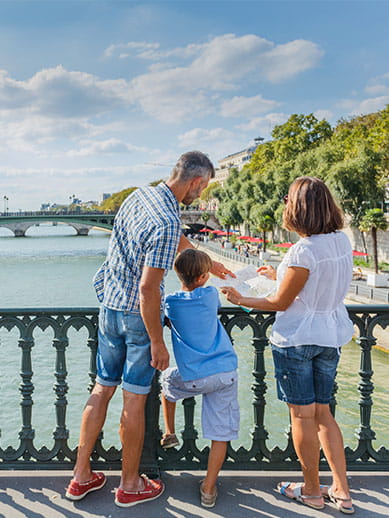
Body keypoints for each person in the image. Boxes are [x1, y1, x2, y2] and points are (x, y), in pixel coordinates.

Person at [65, 151, 234, 508]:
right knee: (134, 399)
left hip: (108, 306)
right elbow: (147, 289)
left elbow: (176, 244)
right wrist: (158, 341)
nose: (200, 195)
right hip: (137, 318)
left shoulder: (138, 196)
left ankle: (80, 476)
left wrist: (210, 262)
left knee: (101, 388)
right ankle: (130, 485)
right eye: (202, 188)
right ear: (195, 182)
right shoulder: (168, 223)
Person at [222, 177, 355, 514]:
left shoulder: (303, 250)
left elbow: (281, 303)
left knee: (302, 417)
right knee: (324, 414)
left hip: (297, 340)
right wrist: (277, 274)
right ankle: (342, 490)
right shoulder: (340, 242)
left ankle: (310, 490)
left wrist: (242, 299)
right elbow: (310, 284)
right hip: (329, 336)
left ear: (297, 208)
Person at [160, 249, 239, 508]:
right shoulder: (210, 294)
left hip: (194, 377)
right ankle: (208, 488)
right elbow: (214, 298)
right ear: (205, 276)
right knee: (219, 433)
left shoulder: (171, 302)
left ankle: (170, 431)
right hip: (224, 373)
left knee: (166, 381)